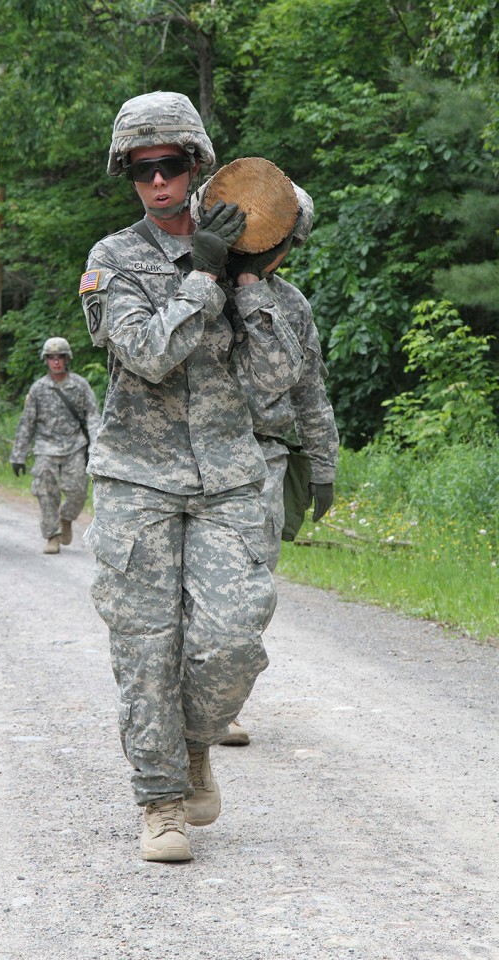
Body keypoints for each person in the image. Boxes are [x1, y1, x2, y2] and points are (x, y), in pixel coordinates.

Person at [79, 91, 309, 863]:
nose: (157, 182)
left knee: (233, 640)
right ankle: (161, 801)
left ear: (198, 166)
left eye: (170, 165)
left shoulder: (240, 255)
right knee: (147, 647)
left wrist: (246, 282)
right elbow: (144, 353)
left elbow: (274, 381)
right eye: (141, 170)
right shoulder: (112, 260)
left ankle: (197, 742)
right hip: (137, 480)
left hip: (229, 477)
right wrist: (199, 281)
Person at [218, 182, 339, 747]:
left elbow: (310, 391)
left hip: (263, 459)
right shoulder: (196, 282)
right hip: (193, 457)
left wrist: (322, 465)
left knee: (249, 591)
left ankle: (227, 701)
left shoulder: (290, 305)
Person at [9, 337, 101, 554]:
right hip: (45, 447)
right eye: (52, 358)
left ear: (67, 359)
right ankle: (52, 535)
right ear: (46, 360)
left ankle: (66, 518)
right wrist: (18, 455)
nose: (56, 362)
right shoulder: (39, 389)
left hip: (74, 446)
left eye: (60, 357)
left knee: (78, 491)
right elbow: (27, 423)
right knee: (46, 492)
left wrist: (95, 448)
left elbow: (93, 417)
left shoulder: (80, 385)